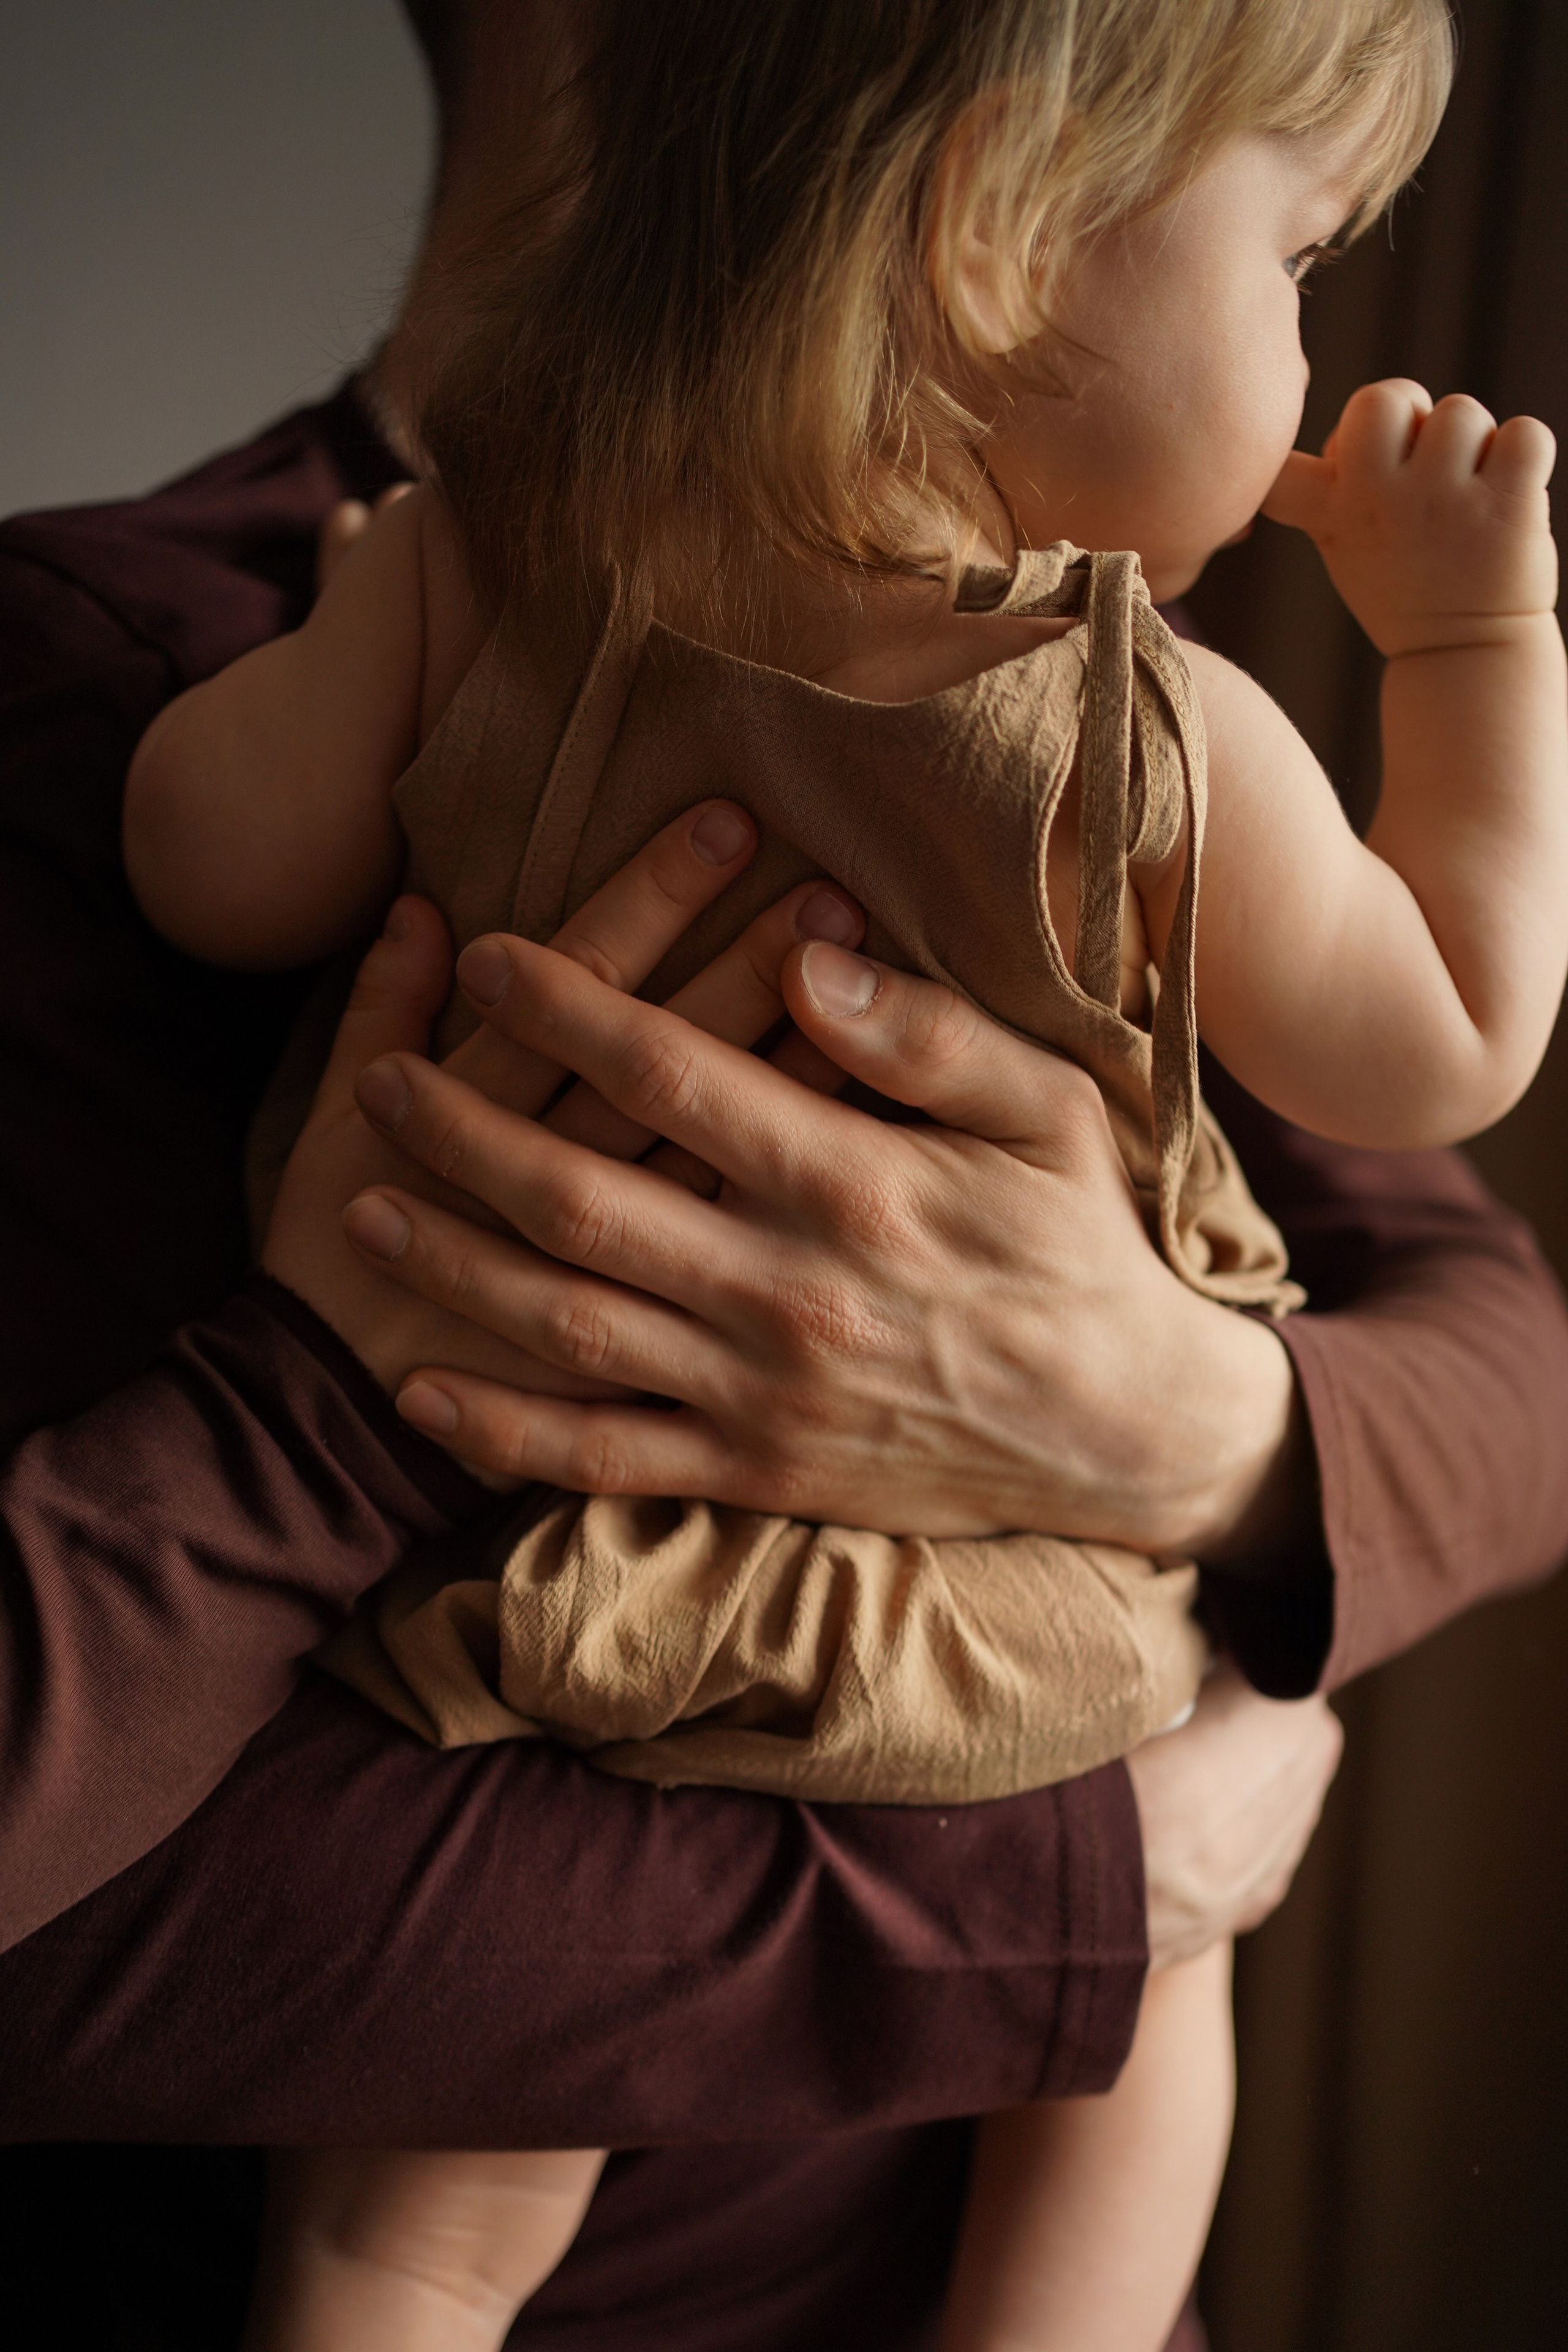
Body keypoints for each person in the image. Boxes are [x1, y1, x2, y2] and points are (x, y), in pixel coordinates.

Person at [0, 4, 1564, 2350]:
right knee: (1146, 2027)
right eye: (1306, 264)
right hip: (999, 1653)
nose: (1313, 356)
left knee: (411, 2227)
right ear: (998, 221)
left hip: (567, 1573)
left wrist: (1200, 1420)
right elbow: (1450, 1037)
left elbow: (212, 859)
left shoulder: (472, 559)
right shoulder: (1146, 733)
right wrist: (1478, 641)